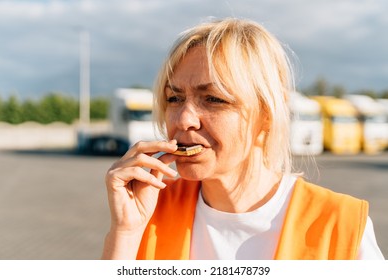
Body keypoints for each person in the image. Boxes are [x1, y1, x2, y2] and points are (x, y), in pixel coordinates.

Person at [101, 18, 384, 260]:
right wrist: (125, 232)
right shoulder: (149, 211)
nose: (183, 119)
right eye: (174, 98)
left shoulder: (342, 226)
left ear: (268, 113)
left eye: (213, 99)